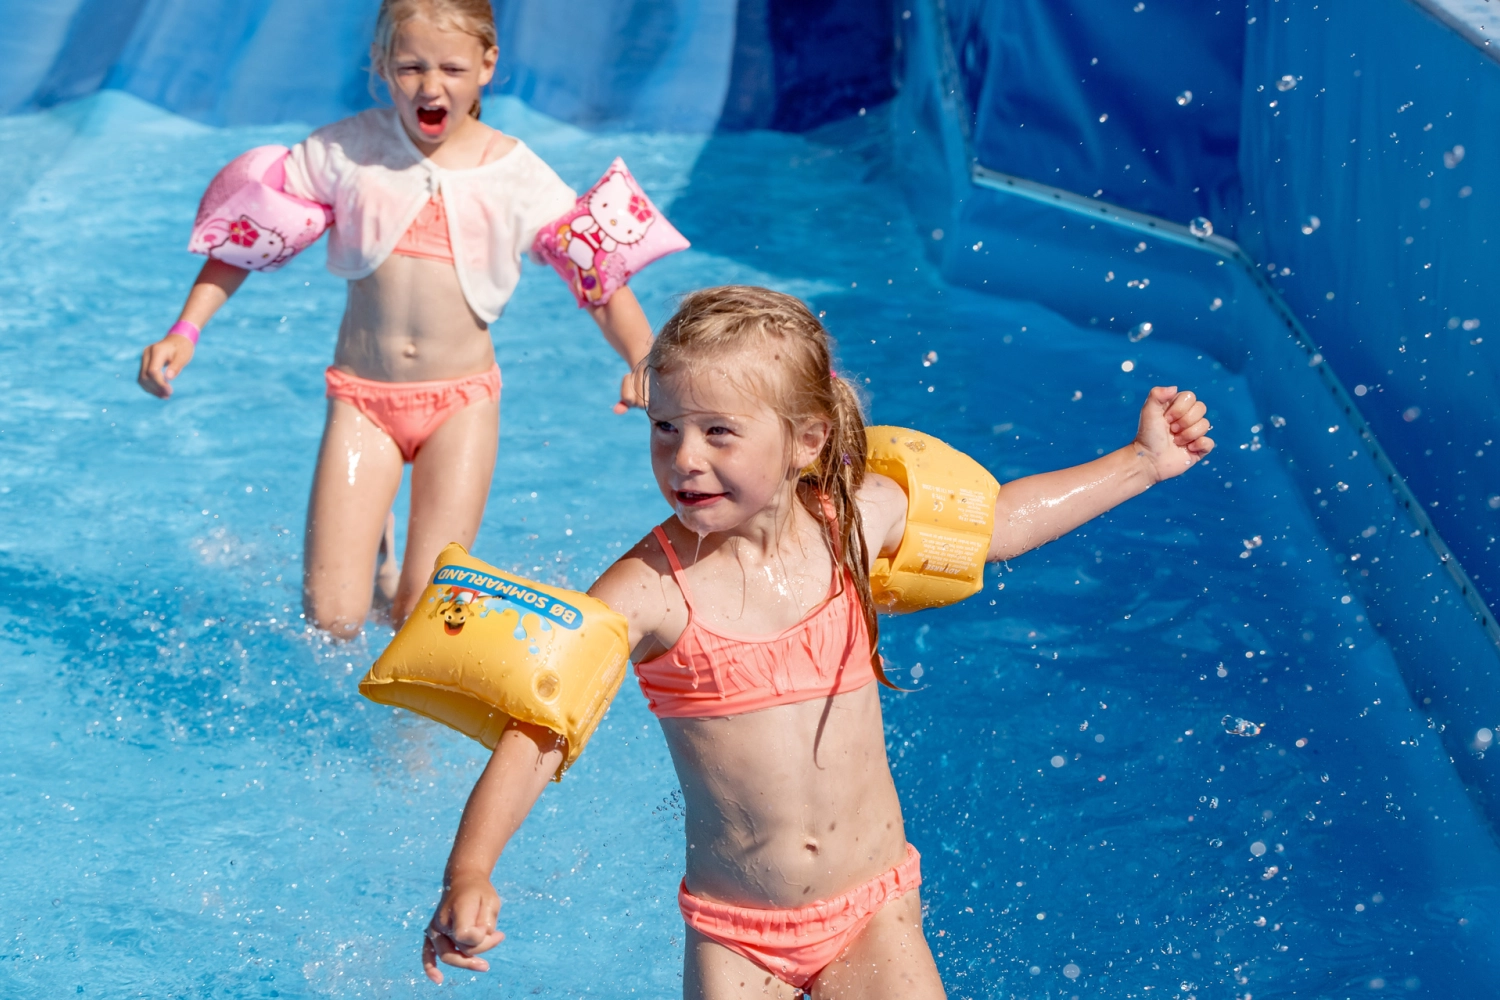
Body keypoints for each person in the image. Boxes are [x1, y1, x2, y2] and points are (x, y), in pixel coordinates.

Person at [419, 286, 1215, 997]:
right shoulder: (648, 590)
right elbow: (538, 734)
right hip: (736, 933)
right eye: (666, 427)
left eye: (718, 432)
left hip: (871, 907)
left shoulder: (857, 524)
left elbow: (1000, 523)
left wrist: (1141, 463)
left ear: (806, 439)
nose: (684, 458)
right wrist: (470, 871)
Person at [135, 0, 654, 639]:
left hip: (461, 405)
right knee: (330, 620)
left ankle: (407, 736)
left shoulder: (517, 174)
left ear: (488, 66)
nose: (431, 86)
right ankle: (373, 546)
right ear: (381, 65)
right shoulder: (347, 150)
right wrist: (185, 331)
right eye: (409, 67)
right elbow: (249, 235)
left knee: (422, 617)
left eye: (452, 68)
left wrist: (641, 359)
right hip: (363, 400)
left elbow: (597, 277)